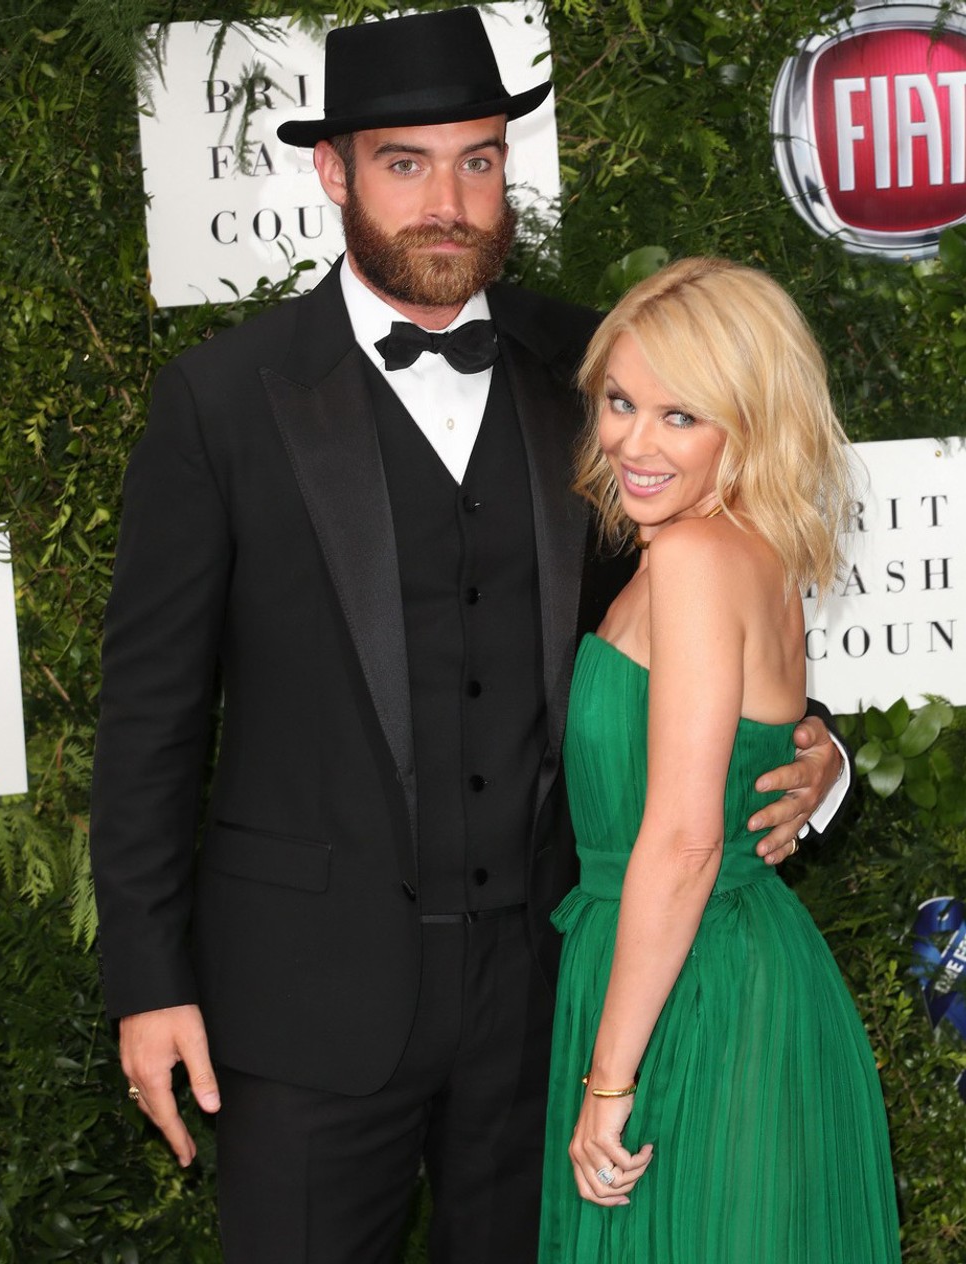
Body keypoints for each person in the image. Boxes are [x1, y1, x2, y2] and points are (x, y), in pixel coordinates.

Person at [89, 11, 848, 1263]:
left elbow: (709, 611)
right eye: (406, 163)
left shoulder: (599, 374)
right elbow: (149, 723)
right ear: (332, 171)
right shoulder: (221, 403)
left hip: (552, 1001)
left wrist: (813, 750)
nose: (448, 202)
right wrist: (149, 978)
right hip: (306, 1003)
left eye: (478, 160)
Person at [539, 257, 901, 1262]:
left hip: (687, 988)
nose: (633, 442)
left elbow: (687, 840)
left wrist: (611, 1079)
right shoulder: (752, 549)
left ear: (748, 423)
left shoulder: (694, 559)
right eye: (621, 401)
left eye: (680, 416)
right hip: (714, 961)